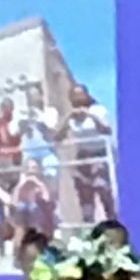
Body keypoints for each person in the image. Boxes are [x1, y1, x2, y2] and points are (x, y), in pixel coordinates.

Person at [58, 83, 116, 222]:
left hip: (99, 152)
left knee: (101, 186)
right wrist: (67, 118)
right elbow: (57, 137)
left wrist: (90, 115)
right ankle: (87, 222)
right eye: (75, 95)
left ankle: (111, 218)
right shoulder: (72, 117)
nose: (78, 98)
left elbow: (107, 130)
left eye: (80, 94)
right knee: (83, 189)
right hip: (84, 154)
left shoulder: (98, 110)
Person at [18, 84, 61, 186]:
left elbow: (52, 130)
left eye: (34, 95)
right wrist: (23, 121)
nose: (32, 99)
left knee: (50, 183)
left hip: (47, 153)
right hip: (29, 155)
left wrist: (39, 117)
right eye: (29, 96)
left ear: (41, 96)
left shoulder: (51, 112)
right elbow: (14, 131)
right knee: (28, 184)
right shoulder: (22, 113)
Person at [11, 158, 55, 240]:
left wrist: (39, 184)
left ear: (38, 170)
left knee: (32, 207)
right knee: (21, 207)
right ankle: (20, 242)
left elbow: (47, 199)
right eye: (28, 168)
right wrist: (20, 185)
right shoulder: (21, 185)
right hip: (23, 214)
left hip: (39, 213)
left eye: (33, 168)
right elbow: (13, 203)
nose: (31, 171)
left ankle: (34, 238)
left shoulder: (42, 183)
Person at [0, 98, 23, 189]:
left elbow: (17, 140)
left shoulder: (16, 122)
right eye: (4, 107)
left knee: (16, 182)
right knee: (2, 182)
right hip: (2, 155)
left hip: (15, 155)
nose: (6, 110)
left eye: (9, 107)